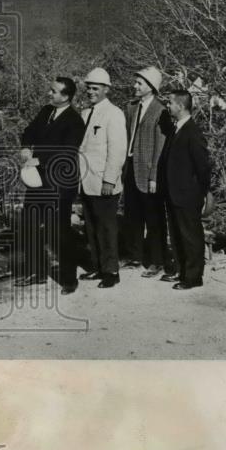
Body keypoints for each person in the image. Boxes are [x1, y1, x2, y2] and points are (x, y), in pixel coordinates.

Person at [17, 77, 86, 294]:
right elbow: (30, 130)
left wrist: (40, 160)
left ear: (66, 96)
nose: (49, 93)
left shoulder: (75, 120)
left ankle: (69, 279)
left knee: (60, 232)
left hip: (60, 184)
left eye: (54, 91)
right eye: (50, 90)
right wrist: (27, 147)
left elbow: (67, 152)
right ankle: (37, 272)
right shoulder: (46, 111)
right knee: (29, 225)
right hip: (38, 181)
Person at [77, 68, 128, 290]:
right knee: (91, 227)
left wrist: (109, 180)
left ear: (106, 90)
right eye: (88, 88)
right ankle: (97, 266)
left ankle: (111, 271)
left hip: (104, 182)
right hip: (85, 181)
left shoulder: (114, 114)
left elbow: (117, 150)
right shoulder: (85, 113)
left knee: (107, 228)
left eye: (95, 88)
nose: (90, 92)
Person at [122, 66, 174, 278]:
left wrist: (154, 177)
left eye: (139, 83)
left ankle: (157, 261)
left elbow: (160, 148)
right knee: (132, 217)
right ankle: (135, 256)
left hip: (149, 174)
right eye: (136, 82)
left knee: (154, 220)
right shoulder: (131, 108)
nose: (135, 86)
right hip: (131, 171)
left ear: (151, 88)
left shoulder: (160, 110)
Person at [159, 88, 212, 290]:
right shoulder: (176, 129)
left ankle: (193, 277)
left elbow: (203, 167)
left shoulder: (192, 132)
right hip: (173, 194)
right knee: (177, 235)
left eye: (170, 103)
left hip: (188, 196)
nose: (168, 106)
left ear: (180, 106)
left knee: (191, 237)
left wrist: (200, 193)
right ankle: (181, 272)